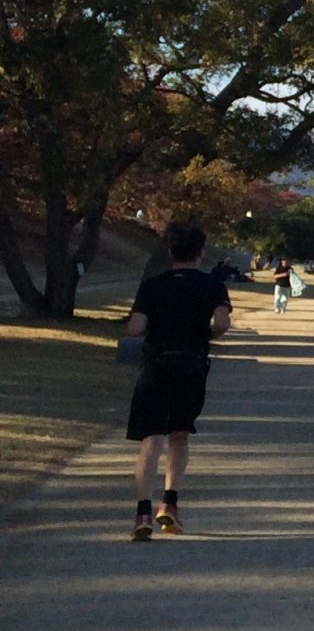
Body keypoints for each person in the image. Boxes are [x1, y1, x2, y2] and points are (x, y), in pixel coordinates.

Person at [125, 223, 232, 540]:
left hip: (156, 365)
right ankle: (169, 504)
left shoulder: (152, 285)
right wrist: (204, 333)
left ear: (171, 251)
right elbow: (222, 323)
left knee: (151, 439)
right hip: (191, 364)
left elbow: (135, 328)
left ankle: (143, 513)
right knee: (180, 435)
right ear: (201, 251)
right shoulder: (213, 285)